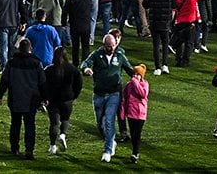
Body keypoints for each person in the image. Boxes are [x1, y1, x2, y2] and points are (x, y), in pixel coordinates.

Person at [81, 32, 134, 163]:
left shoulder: (120, 55)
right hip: (98, 93)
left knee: (109, 120)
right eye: (108, 46)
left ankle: (107, 150)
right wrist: (86, 69)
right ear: (104, 45)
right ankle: (111, 141)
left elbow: (129, 69)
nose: (111, 49)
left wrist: (138, 77)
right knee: (100, 123)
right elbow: (85, 63)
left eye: (113, 46)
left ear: (115, 44)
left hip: (114, 93)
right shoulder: (97, 54)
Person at [0, 37, 46, 160]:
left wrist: (0, 95)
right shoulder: (36, 63)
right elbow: (42, 82)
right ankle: (29, 150)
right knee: (30, 125)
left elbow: (5, 80)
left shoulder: (12, 62)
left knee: (15, 124)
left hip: (15, 97)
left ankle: (15, 148)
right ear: (30, 49)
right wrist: (44, 98)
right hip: (32, 99)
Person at [45, 45, 82, 155]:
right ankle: (63, 134)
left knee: (54, 123)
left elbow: (43, 84)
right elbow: (79, 84)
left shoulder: (49, 69)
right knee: (65, 119)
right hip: (67, 99)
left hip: (53, 100)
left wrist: (44, 97)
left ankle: (52, 146)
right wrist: (74, 95)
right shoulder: (72, 69)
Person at [120, 62, 148, 163]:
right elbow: (125, 99)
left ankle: (135, 153)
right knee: (132, 134)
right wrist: (123, 112)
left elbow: (142, 94)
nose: (135, 76)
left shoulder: (144, 84)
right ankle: (134, 152)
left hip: (140, 114)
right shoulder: (128, 85)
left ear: (141, 75)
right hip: (131, 113)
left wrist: (136, 82)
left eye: (137, 74)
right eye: (134, 74)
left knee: (137, 134)